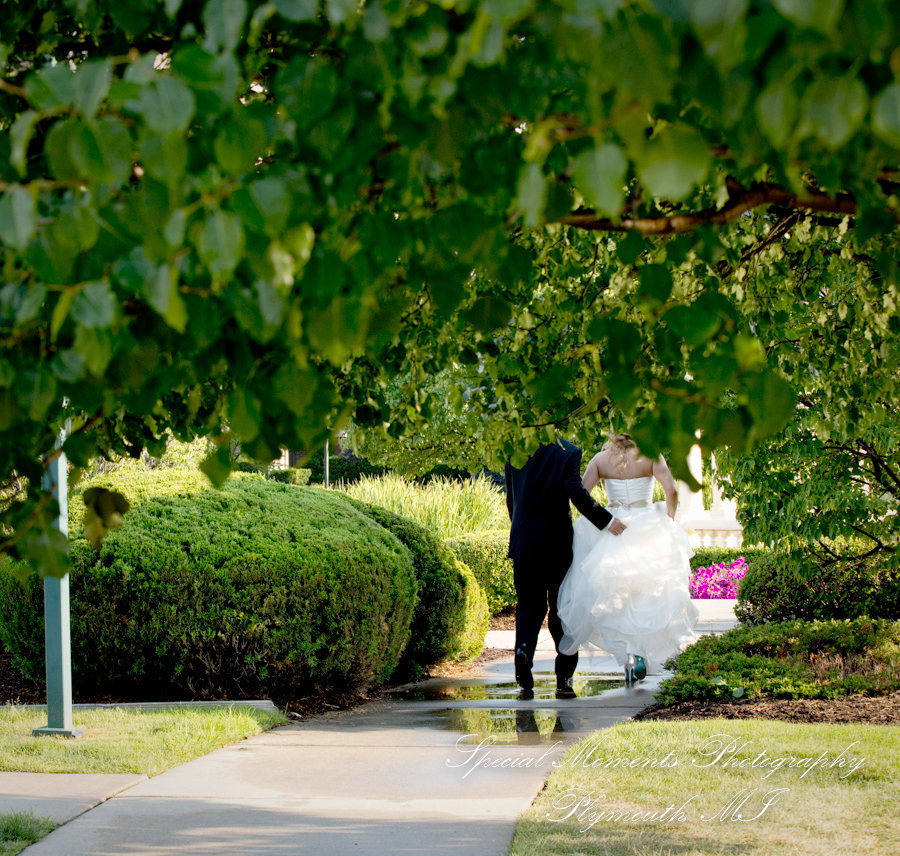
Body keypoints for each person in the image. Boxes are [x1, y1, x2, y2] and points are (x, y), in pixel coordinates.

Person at [557, 433, 699, 683]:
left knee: (616, 595)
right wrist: (668, 521)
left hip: (614, 527)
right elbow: (672, 491)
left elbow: (582, 494)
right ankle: (639, 653)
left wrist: (605, 518)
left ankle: (630, 657)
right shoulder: (651, 456)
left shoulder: (601, 460)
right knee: (646, 594)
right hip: (647, 525)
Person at [505, 437, 626, 700]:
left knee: (528, 606)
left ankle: (523, 654)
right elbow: (576, 492)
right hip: (556, 543)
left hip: (523, 540)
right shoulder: (569, 451)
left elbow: (510, 498)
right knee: (562, 608)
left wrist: (521, 528)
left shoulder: (514, 447)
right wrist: (606, 521)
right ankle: (564, 681)